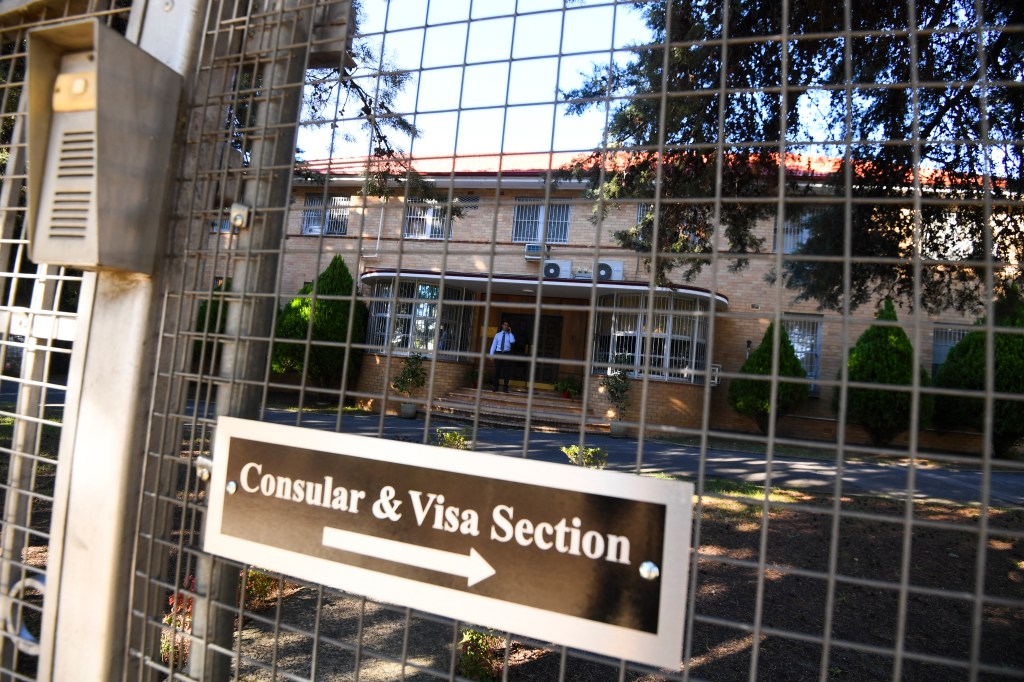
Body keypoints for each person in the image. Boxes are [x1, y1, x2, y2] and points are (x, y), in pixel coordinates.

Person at [488, 321, 515, 392]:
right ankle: (495, 386)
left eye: (507, 325)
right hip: (498, 353)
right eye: (505, 325)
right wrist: (491, 354)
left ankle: (505, 388)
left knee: (506, 371)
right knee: (497, 371)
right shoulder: (497, 335)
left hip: (506, 353)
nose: (506, 326)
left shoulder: (509, 335)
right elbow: (494, 345)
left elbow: (512, 341)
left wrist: (510, 332)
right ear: (502, 325)